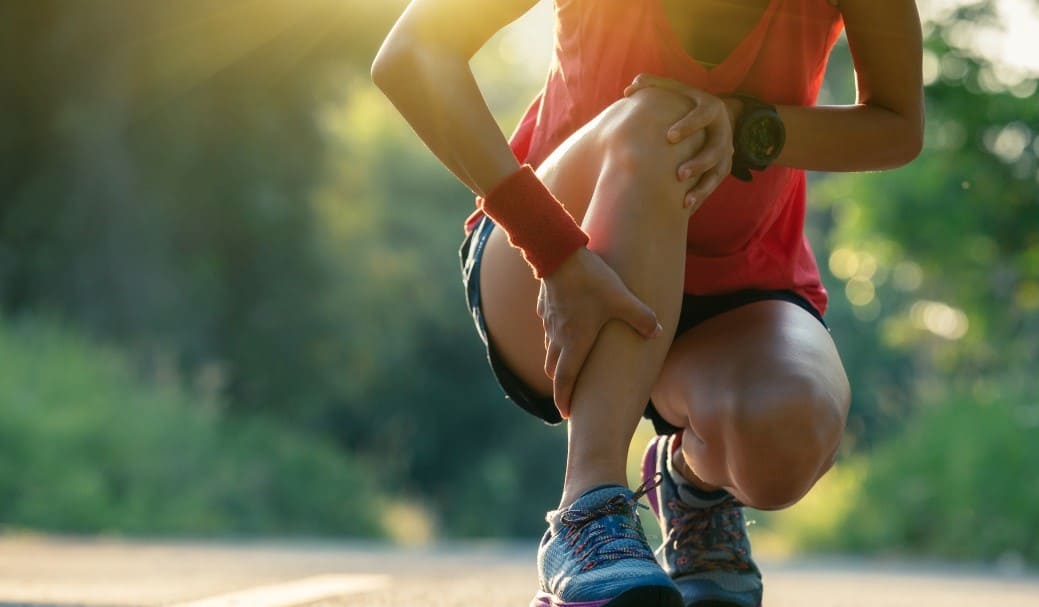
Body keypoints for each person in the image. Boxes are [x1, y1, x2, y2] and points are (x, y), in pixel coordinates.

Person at [372, 0, 922, 605]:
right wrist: (553, 249)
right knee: (665, 118)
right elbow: (412, 52)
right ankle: (588, 511)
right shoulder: (553, 248)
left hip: (738, 286)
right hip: (553, 259)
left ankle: (692, 488)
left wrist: (745, 126)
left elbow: (897, 124)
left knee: (790, 432)